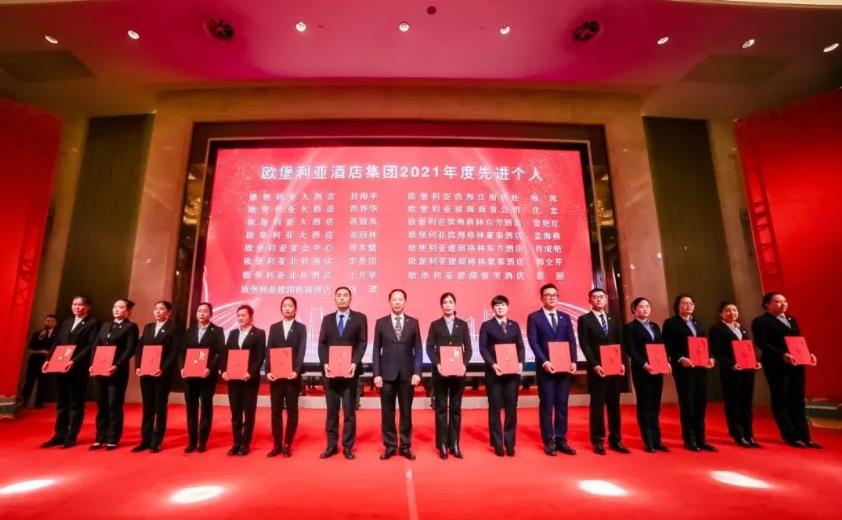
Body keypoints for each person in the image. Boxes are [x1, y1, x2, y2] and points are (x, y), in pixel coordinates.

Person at [752, 292, 820, 449]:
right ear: (767, 304)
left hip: (796, 364)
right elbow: (761, 343)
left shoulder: (791, 319)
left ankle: (805, 436)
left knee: (798, 399)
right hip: (776, 365)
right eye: (777, 301)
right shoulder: (761, 321)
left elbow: (798, 341)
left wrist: (808, 354)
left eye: (784, 301)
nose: (783, 304)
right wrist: (782, 354)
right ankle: (790, 436)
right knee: (781, 399)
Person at [526, 283, 578, 456]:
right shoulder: (534, 317)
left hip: (564, 368)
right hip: (546, 368)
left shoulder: (565, 317)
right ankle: (549, 440)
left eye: (554, 295)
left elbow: (571, 340)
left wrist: (574, 361)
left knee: (562, 404)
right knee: (547, 404)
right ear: (541, 298)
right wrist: (544, 361)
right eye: (547, 295)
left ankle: (561, 439)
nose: (551, 298)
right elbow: (533, 342)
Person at [40, 296, 98, 449]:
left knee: (75, 403)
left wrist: (74, 361)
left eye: (80, 304)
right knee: (62, 403)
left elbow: (91, 346)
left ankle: (71, 436)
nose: (76, 307)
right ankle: (59, 434)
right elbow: (57, 343)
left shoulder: (93, 323)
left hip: (77, 368)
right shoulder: (67, 323)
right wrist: (48, 359)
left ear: (87, 307)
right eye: (74, 304)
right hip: (60, 366)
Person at [577, 288, 629, 455]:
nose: (598, 299)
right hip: (597, 369)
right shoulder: (584, 319)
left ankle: (616, 440)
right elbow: (585, 345)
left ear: (606, 300)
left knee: (614, 405)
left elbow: (620, 342)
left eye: (601, 297)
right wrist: (594, 365)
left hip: (614, 368)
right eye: (595, 297)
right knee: (597, 406)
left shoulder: (614, 319)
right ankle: (598, 440)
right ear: (590, 300)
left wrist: (622, 362)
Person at [317, 286, 368, 460]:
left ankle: (347, 447)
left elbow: (362, 342)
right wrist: (325, 363)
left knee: (349, 413)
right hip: (330, 373)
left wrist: (354, 362)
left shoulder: (360, 318)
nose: (342, 298)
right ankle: (331, 446)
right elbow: (322, 344)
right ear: (335, 299)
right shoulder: (327, 319)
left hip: (350, 372)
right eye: (339, 295)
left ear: (351, 299)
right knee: (331, 412)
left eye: (345, 295)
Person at [372, 289, 423, 460]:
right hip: (386, 375)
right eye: (394, 299)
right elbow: (376, 350)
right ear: (390, 302)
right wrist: (376, 374)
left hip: (407, 375)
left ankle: (405, 446)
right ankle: (390, 445)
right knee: (387, 413)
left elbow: (418, 349)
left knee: (406, 412)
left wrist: (417, 372)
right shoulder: (381, 323)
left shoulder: (413, 322)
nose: (397, 302)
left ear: (405, 302)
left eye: (400, 299)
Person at [663, 294, 716, 452]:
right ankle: (689, 438)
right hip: (684, 368)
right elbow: (668, 345)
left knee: (700, 402)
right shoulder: (671, 323)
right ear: (677, 306)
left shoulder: (698, 322)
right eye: (684, 303)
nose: (688, 306)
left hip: (701, 367)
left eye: (690, 303)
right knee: (688, 403)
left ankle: (701, 438)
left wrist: (711, 357)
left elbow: (705, 343)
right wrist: (680, 358)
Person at [426, 292, 471, 459]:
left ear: (455, 305)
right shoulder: (435, 325)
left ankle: (455, 443)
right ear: (441, 305)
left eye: (450, 302)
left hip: (458, 373)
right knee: (441, 409)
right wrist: (437, 364)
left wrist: (464, 365)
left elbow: (469, 348)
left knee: (456, 409)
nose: (448, 305)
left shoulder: (463, 325)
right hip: (440, 373)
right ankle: (442, 444)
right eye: (445, 302)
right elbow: (429, 347)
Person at [709, 301, 761, 448]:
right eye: (728, 310)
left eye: (734, 310)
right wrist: (731, 364)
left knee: (747, 403)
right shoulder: (716, 329)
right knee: (734, 403)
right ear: (721, 314)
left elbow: (748, 348)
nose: (732, 313)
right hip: (731, 371)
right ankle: (738, 434)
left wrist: (755, 361)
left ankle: (749, 434)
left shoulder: (742, 328)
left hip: (747, 370)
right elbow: (716, 351)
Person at [89, 298, 139, 450]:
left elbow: (130, 349)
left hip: (117, 371)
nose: (116, 309)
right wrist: (93, 364)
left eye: (121, 307)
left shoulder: (131, 327)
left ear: (128, 311)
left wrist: (116, 365)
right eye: (115, 306)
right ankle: (100, 437)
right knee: (101, 404)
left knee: (114, 404)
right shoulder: (105, 325)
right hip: (100, 370)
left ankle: (113, 437)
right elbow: (96, 345)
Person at [479, 294, 525, 457]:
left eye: (503, 304)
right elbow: (483, 348)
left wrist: (521, 362)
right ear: (493, 308)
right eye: (497, 305)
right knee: (495, 409)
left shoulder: (514, 325)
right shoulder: (487, 325)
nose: (500, 307)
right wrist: (493, 364)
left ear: (508, 307)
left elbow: (520, 346)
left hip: (512, 374)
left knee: (511, 409)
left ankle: (510, 443)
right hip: (494, 373)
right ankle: (498, 443)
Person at [132, 300, 181, 453]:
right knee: (147, 407)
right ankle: (145, 440)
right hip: (146, 372)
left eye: (161, 309)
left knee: (159, 407)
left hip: (162, 374)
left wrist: (163, 369)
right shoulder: (149, 327)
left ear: (169, 312)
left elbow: (174, 351)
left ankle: (156, 441)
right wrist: (138, 366)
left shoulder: (173, 328)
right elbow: (139, 348)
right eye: (156, 309)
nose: (158, 312)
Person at [624, 297, 670, 453]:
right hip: (641, 370)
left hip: (658, 369)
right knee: (645, 404)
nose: (645, 309)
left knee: (655, 405)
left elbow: (661, 346)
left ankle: (657, 440)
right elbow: (630, 349)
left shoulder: (654, 326)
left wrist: (666, 361)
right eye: (641, 306)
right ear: (634, 309)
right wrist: (644, 364)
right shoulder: (630, 327)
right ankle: (648, 441)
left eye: (647, 306)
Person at [180, 302, 225, 453]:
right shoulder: (189, 331)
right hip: (190, 376)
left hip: (207, 376)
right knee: (191, 408)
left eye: (205, 311)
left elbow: (220, 352)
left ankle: (202, 441)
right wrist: (182, 368)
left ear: (210, 314)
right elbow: (182, 352)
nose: (202, 313)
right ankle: (191, 441)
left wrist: (209, 369)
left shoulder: (217, 331)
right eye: (199, 310)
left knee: (205, 407)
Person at [221, 304, 266, 456]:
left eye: (243, 315)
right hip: (233, 379)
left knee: (249, 412)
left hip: (249, 380)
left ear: (251, 317)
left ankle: (245, 443)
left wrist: (250, 372)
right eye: (238, 315)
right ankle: (236, 442)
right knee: (235, 412)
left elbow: (260, 356)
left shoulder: (259, 333)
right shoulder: (233, 333)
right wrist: (223, 371)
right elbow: (225, 354)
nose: (240, 318)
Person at [266, 296, 307, 458]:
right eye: (284, 306)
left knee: (292, 410)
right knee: (275, 411)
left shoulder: (301, 328)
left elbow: (301, 351)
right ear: (281, 308)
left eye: (290, 306)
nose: (287, 308)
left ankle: (288, 443)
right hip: (275, 377)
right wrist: (268, 370)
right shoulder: (274, 327)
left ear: (295, 309)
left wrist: (296, 370)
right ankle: (277, 444)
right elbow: (269, 350)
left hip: (292, 377)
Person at [19, 314, 57, 408]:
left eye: (52, 321)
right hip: (34, 361)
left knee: (42, 383)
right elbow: (30, 349)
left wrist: (49, 354)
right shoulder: (37, 333)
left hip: (47, 362)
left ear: (56, 323)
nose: (49, 322)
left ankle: (39, 403)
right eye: (47, 320)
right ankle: (23, 402)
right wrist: (41, 351)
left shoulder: (57, 335)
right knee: (29, 382)